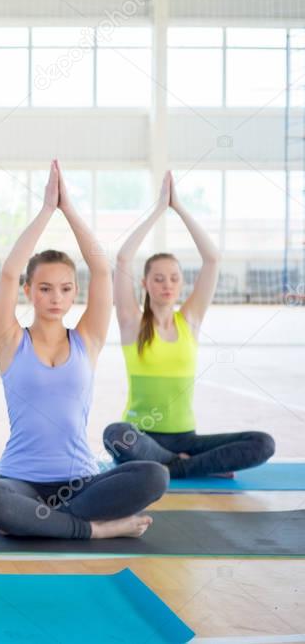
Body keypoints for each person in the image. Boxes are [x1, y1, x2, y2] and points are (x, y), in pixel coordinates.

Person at [0, 160, 168, 540]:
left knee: (155, 475)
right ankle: (94, 530)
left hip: (82, 482)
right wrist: (47, 209)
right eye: (44, 288)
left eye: (64, 288)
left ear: (75, 292)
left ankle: (38, 523)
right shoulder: (11, 340)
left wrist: (70, 209)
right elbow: (9, 272)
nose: (55, 297)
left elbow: (101, 270)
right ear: (29, 291)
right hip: (19, 482)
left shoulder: (87, 340)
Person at [103, 172, 274, 478]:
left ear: (182, 283)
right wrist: (158, 210)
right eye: (158, 278)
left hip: (188, 439)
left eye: (173, 278)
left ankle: (175, 466)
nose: (167, 284)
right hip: (141, 439)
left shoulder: (190, 320)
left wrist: (178, 208)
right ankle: (192, 467)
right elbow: (123, 258)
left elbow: (212, 259)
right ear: (145, 283)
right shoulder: (131, 322)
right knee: (115, 435)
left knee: (263, 443)